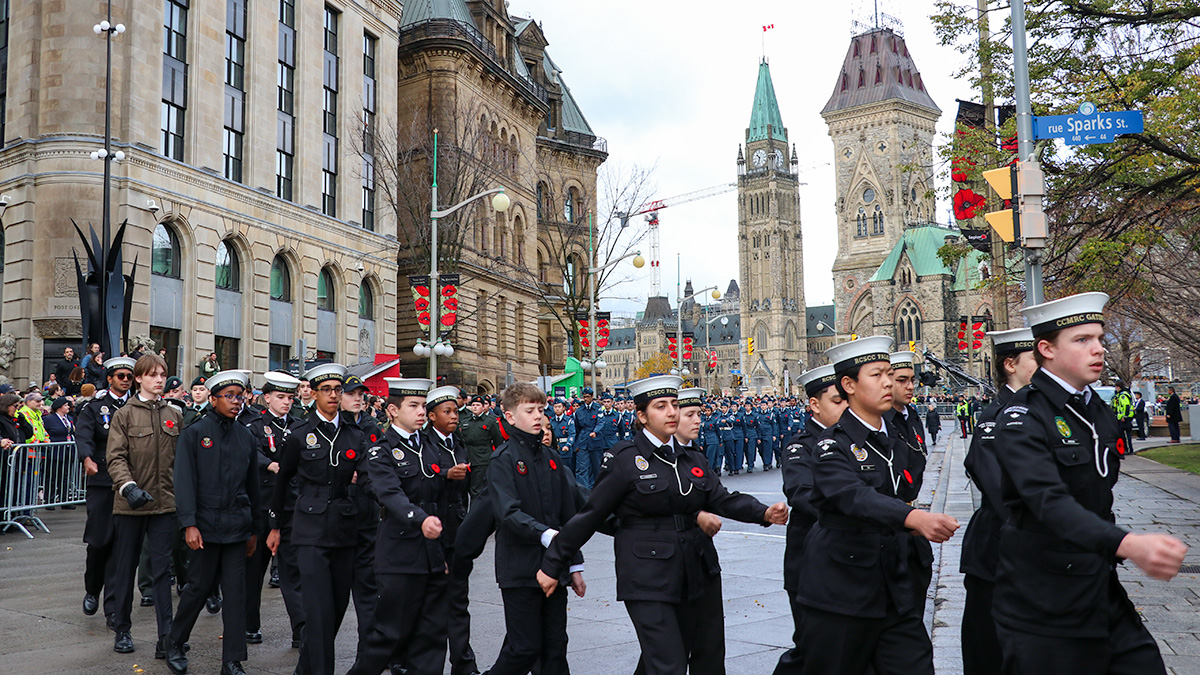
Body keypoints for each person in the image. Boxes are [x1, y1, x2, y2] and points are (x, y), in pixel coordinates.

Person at [539, 375, 788, 675]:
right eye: (660, 406)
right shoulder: (625, 460)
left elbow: (721, 498)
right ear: (642, 416)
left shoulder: (689, 457)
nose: (671, 412)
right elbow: (590, 515)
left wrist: (763, 513)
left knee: (684, 658)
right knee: (668, 664)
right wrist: (553, 563)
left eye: (673, 404)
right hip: (646, 577)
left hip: (691, 572)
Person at [992, 293, 1187, 674]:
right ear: (1046, 349)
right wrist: (1128, 544)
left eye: (1100, 339)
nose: (1098, 349)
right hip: (1043, 600)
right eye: (1082, 340)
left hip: (1097, 588)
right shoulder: (1022, 417)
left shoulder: (1095, 409)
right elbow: (1048, 502)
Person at [795, 336, 958, 675]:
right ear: (849, 385)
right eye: (876, 375)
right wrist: (913, 517)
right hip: (844, 585)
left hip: (895, 581)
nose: (887, 382)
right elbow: (852, 495)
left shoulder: (898, 438)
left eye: (889, 373)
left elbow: (908, 482)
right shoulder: (830, 445)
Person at [266, 363, 368, 675]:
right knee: (318, 610)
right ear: (312, 393)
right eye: (327, 390)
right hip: (308, 527)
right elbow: (282, 483)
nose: (334, 396)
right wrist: (274, 526)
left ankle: (305, 668)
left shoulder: (355, 435)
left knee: (336, 608)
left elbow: (369, 478)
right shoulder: (299, 435)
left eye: (338, 390)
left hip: (344, 526)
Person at [486, 382, 588, 675]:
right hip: (519, 570)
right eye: (529, 410)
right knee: (524, 648)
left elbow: (569, 514)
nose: (538, 417)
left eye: (541, 410)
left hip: (554, 567)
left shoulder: (552, 459)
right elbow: (508, 513)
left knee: (556, 646)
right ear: (509, 417)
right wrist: (547, 535)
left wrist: (574, 565)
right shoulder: (502, 460)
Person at [164, 370, 260, 675]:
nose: (235, 402)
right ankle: (175, 642)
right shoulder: (195, 433)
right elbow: (184, 481)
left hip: (236, 527)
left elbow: (253, 487)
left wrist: (254, 530)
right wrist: (189, 523)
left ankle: (232, 660)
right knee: (197, 589)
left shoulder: (246, 435)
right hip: (204, 527)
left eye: (240, 396)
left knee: (235, 594)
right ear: (214, 399)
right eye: (229, 396)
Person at [958, 328, 1036, 675]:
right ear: (1010, 364)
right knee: (989, 647)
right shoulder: (995, 415)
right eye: (1035, 357)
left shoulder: (1047, 411)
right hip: (998, 545)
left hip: (1037, 549)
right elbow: (991, 479)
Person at [105, 354, 184, 655]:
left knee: (163, 572)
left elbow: (181, 461)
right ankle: (122, 629)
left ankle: (167, 636)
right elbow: (115, 457)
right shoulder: (124, 415)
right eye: (152, 375)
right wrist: (128, 487)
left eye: (162, 374)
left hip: (165, 504)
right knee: (125, 568)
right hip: (131, 505)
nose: (159, 380)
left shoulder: (174, 415)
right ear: (139, 378)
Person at [773, 365, 847, 675]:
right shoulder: (799, 446)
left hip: (853, 562)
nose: (845, 407)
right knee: (812, 648)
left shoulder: (855, 440)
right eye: (837, 401)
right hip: (811, 564)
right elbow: (801, 493)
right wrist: (854, 509)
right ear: (815, 405)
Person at [242, 371, 305, 647]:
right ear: (266, 398)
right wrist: (271, 464)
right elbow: (251, 453)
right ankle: (250, 624)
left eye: (290, 398)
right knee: (254, 571)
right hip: (263, 504)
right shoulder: (255, 425)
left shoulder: (300, 426)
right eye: (280, 397)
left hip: (291, 506)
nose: (286, 403)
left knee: (292, 573)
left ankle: (300, 630)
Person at [75, 356, 135, 621]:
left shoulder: (138, 407)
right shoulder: (95, 408)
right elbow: (84, 434)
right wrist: (87, 458)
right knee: (99, 542)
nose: (125, 380)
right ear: (109, 378)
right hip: (102, 481)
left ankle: (113, 609)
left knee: (121, 548)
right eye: (120, 375)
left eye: (129, 376)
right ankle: (92, 589)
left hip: (131, 484)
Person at [422, 385, 475, 675]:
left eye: (456, 410)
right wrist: (445, 475)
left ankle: (464, 663)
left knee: (459, 599)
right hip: (431, 529)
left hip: (456, 528)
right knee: (431, 603)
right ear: (432, 416)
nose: (454, 416)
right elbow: (421, 482)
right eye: (447, 411)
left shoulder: (458, 442)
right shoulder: (424, 444)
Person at [886, 351, 933, 614]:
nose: (910, 386)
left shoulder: (911, 416)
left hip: (911, 523)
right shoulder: (880, 421)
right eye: (902, 380)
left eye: (912, 380)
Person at [459, 395, 503, 499]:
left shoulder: (490, 421)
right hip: (467, 457)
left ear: (483, 407)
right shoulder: (465, 421)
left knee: (477, 489)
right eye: (473, 405)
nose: (475, 407)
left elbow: (498, 441)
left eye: (478, 405)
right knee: (464, 489)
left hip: (482, 459)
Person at [571, 387, 600, 487]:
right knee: (582, 468)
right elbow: (577, 427)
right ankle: (582, 491)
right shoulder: (580, 411)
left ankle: (597, 489)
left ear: (592, 397)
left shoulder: (598, 409)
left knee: (597, 468)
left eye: (588, 397)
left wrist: (595, 432)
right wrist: (577, 443)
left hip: (595, 442)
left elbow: (600, 423)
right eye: (584, 397)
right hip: (583, 441)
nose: (586, 399)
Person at [550, 398, 577, 478]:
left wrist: (567, 445)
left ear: (564, 408)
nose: (557, 409)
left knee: (567, 473)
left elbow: (572, 434)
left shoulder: (568, 421)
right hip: (554, 450)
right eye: (555, 407)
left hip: (565, 450)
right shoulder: (551, 421)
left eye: (559, 406)